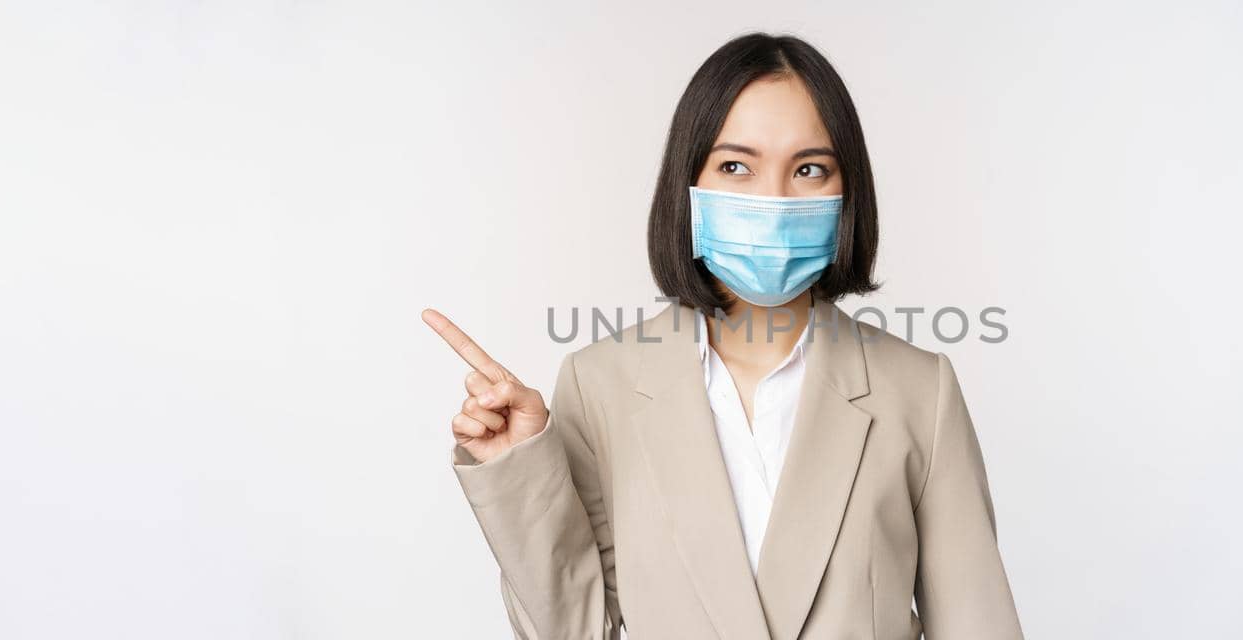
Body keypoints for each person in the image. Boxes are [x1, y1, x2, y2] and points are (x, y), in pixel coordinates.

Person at [423, 32, 1023, 640]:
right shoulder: (601, 383)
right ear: (690, 187)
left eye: (810, 169)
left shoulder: (921, 391)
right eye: (736, 166)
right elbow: (576, 630)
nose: (774, 200)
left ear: (847, 196)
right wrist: (519, 473)